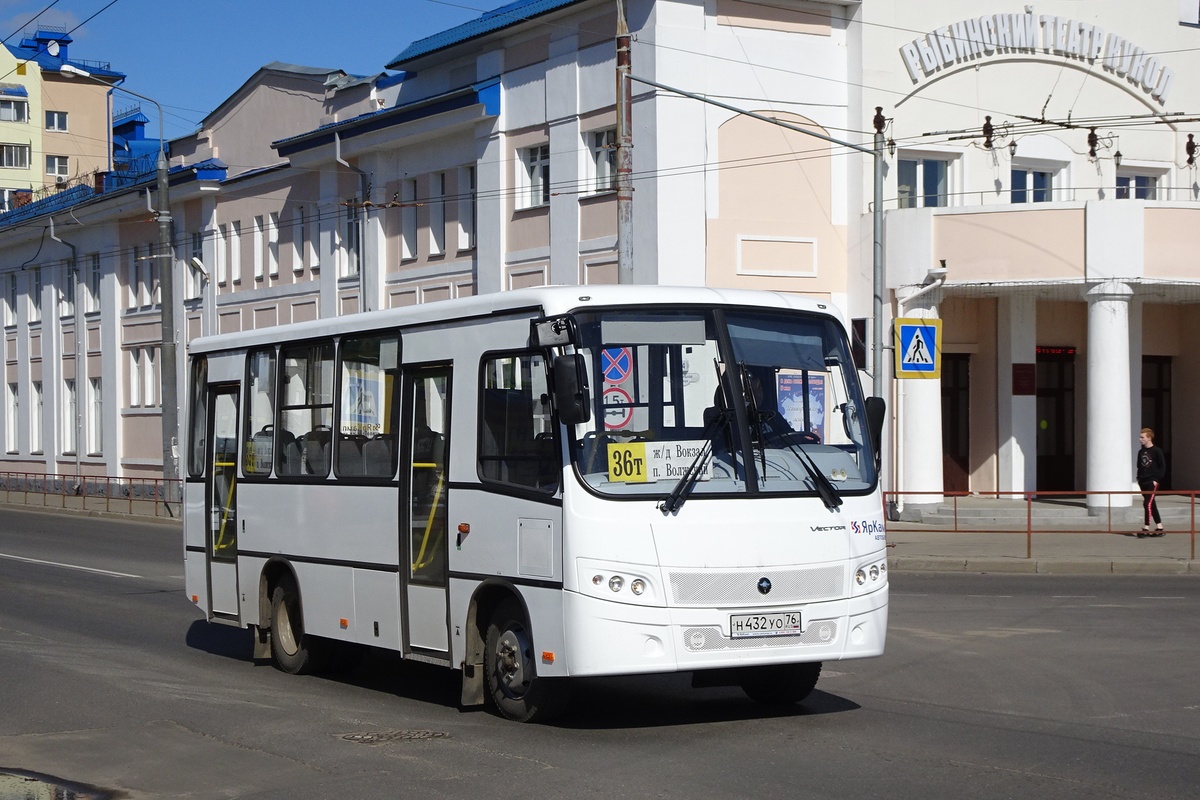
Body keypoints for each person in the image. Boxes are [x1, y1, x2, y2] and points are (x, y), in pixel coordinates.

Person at [1135, 427, 1166, 537]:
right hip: (1143, 481)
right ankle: (1159, 527)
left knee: (1147, 503)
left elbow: (1162, 467)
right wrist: (1139, 478)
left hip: (1152, 482)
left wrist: (1155, 480)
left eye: (1142, 437)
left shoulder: (1157, 451)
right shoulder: (1141, 452)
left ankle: (1146, 527)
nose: (1140, 439)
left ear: (1149, 438)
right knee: (1151, 504)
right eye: (1140, 437)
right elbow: (1139, 466)